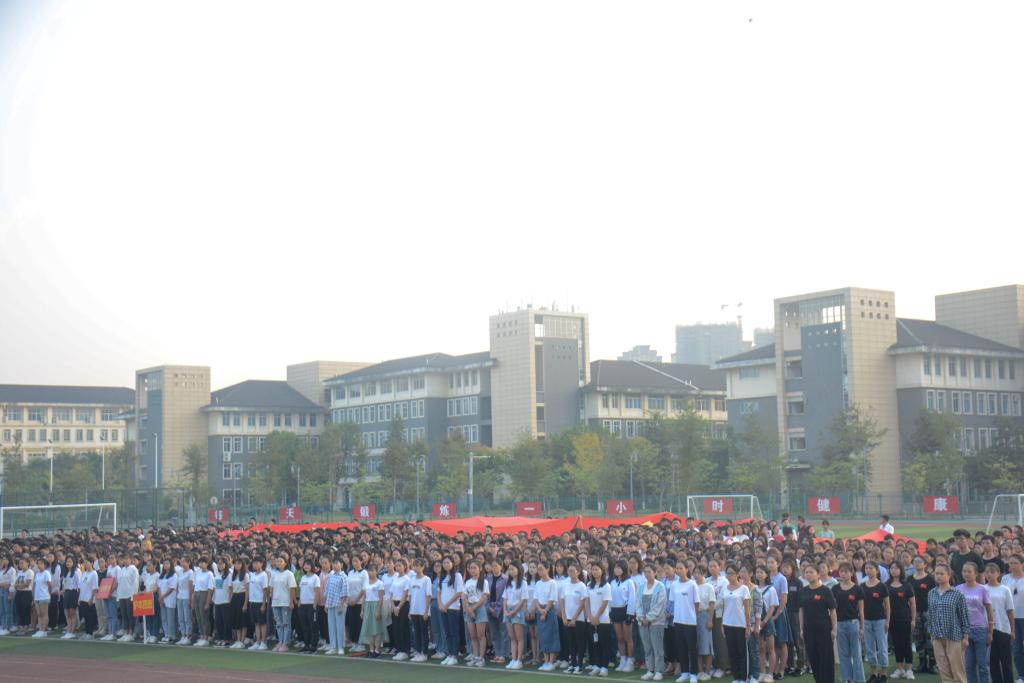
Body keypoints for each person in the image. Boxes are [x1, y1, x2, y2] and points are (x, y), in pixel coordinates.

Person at [930, 564, 971, 683]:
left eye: (941, 574)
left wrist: (965, 638)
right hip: (937, 637)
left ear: (949, 575)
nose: (938, 576)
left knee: (958, 671)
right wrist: (931, 635)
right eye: (936, 574)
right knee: (944, 671)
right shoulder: (931, 593)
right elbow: (931, 615)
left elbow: (964, 617)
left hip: (954, 636)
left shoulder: (957, 594)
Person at [798, 563, 837, 683]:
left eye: (811, 572)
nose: (808, 574)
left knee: (826, 658)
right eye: (806, 572)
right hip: (808, 630)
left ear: (818, 574)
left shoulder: (826, 591)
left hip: (824, 629)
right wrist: (801, 629)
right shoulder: (803, 591)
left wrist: (834, 629)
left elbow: (832, 610)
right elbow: (801, 611)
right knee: (813, 658)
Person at [958, 562, 994, 683]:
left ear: (976, 573)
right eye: (964, 571)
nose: (966, 574)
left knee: (983, 665)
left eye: (969, 571)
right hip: (964, 631)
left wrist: (990, 632)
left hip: (980, 630)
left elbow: (989, 611)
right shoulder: (958, 589)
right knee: (969, 666)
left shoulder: (983, 589)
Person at [833, 561, 866, 683]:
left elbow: (861, 610)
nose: (843, 574)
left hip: (853, 623)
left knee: (856, 653)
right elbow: (832, 609)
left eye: (846, 571)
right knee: (843, 653)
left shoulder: (858, 589)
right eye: (841, 571)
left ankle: (858, 679)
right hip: (839, 624)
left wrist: (862, 628)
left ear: (851, 573)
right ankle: (847, 678)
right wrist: (834, 626)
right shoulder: (835, 588)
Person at [639, 562, 669, 682]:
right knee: (647, 647)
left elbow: (660, 605)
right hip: (642, 622)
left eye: (649, 572)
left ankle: (659, 671)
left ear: (655, 573)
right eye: (645, 572)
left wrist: (649, 617)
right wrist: (641, 617)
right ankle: (650, 670)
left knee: (657, 648)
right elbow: (638, 603)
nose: (647, 574)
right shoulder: (641, 586)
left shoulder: (660, 586)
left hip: (656, 622)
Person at [721, 564, 751, 683]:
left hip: (740, 625)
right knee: (732, 652)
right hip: (728, 624)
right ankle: (736, 677)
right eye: (727, 573)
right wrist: (722, 625)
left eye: (732, 573)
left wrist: (748, 626)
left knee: (741, 652)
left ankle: (743, 678)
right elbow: (723, 607)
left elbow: (747, 610)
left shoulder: (744, 589)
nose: (729, 576)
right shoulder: (724, 588)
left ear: (737, 574)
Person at [985, 562, 1014, 683]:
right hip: (988, 629)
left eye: (992, 572)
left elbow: (1010, 611)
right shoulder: (983, 589)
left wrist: (1012, 630)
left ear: (998, 573)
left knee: (1006, 661)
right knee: (993, 661)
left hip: (1003, 628)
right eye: (987, 572)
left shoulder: (1005, 589)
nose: (989, 574)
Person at [862, 561, 891, 683]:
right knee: (870, 648)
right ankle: (873, 673)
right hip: (866, 621)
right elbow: (860, 606)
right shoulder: (862, 586)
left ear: (877, 570)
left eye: (871, 568)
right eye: (867, 568)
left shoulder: (882, 586)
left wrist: (887, 621)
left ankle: (883, 674)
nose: (868, 570)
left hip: (880, 620)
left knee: (882, 647)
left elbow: (887, 605)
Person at [887, 561, 916, 680]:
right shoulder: (886, 585)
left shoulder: (906, 585)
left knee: (906, 643)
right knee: (896, 644)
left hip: (905, 618)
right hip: (892, 619)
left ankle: (909, 669)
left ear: (901, 570)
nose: (894, 570)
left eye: (896, 568)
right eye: (892, 568)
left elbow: (913, 603)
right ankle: (899, 668)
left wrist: (913, 619)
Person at [999, 554, 1024, 683]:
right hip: (1011, 618)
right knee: (1016, 647)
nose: (1013, 566)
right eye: (1011, 563)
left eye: (1015, 563)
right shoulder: (1005, 578)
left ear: (1022, 564)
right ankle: (1022, 676)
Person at [561, 563, 588, 675]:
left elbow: (582, 603)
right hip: (567, 618)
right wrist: (564, 616)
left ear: (578, 572)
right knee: (571, 643)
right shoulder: (566, 585)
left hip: (579, 619)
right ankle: (573, 664)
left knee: (579, 643)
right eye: (569, 571)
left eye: (573, 571)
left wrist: (574, 618)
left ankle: (579, 666)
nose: (570, 573)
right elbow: (562, 600)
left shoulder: (582, 586)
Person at [586, 562, 613, 677]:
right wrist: (590, 616)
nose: (594, 572)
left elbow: (605, 602)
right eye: (593, 569)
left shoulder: (606, 586)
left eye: (597, 569)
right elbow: (586, 601)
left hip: (603, 620)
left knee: (604, 644)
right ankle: (596, 666)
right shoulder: (589, 585)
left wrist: (597, 616)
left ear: (602, 571)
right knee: (594, 643)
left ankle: (604, 667)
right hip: (591, 620)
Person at [462, 559, 490, 668]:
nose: (472, 570)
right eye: (471, 568)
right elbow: (464, 597)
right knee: (473, 636)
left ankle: (481, 658)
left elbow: (483, 597)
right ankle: (475, 656)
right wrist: (468, 609)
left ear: (480, 569)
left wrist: (473, 608)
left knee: (480, 635)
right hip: (469, 608)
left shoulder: (484, 582)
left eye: (475, 568)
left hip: (479, 608)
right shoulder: (467, 582)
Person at [912, 555, 937, 674]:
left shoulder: (930, 579)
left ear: (925, 564)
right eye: (915, 561)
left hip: (928, 611)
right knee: (918, 637)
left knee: (930, 637)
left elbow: (935, 595)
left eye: (919, 561)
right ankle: (922, 662)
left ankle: (932, 663)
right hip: (915, 612)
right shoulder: (909, 579)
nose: (917, 563)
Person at [756, 565, 780, 683]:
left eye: (761, 572)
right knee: (760, 649)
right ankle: (762, 672)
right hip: (757, 620)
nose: (759, 574)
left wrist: (764, 621)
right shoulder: (754, 588)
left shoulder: (771, 589)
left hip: (768, 621)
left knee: (770, 649)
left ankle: (770, 674)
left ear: (766, 574)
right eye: (757, 572)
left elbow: (772, 607)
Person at [270, 556, 296, 652]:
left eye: (281, 561)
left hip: (285, 602)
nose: (279, 563)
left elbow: (292, 588)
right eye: (277, 561)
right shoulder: (274, 574)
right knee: (278, 624)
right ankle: (280, 641)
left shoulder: (289, 574)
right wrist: (272, 599)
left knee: (286, 623)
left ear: (285, 563)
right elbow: (271, 587)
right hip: (276, 602)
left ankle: (285, 643)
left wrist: (291, 602)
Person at [504, 561, 527, 670]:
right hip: (508, 610)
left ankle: (519, 660)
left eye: (513, 569)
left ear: (519, 569)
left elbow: (523, 599)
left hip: (517, 611)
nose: (511, 571)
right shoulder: (508, 583)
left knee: (519, 637)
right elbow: (505, 598)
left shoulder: (523, 583)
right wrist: (505, 610)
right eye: (509, 569)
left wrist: (513, 611)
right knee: (512, 637)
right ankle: (513, 659)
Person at [323, 558, 349, 656]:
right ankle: (333, 647)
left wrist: (341, 605)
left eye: (337, 563)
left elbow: (345, 592)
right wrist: (326, 604)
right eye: (333, 563)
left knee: (340, 626)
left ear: (341, 564)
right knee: (331, 626)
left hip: (339, 604)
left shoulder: (343, 576)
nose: (334, 565)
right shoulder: (331, 575)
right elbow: (327, 590)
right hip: (330, 603)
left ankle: (340, 647)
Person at [157, 558, 178, 643]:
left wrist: (162, 596)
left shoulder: (174, 575)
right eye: (164, 564)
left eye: (167, 564)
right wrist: (160, 597)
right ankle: (166, 634)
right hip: (162, 599)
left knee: (170, 618)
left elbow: (171, 588)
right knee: (164, 618)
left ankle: (171, 635)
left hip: (170, 598)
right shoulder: (162, 575)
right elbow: (158, 587)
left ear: (171, 565)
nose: (165, 565)